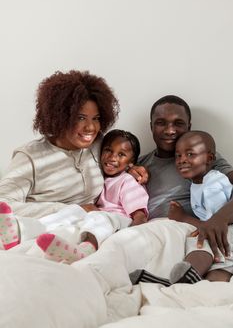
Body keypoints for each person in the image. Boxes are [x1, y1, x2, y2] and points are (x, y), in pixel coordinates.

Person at [0, 70, 120, 245]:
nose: (90, 127)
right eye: (80, 118)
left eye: (96, 118)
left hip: (87, 228)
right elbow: (4, 204)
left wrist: (133, 169)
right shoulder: (30, 156)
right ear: (61, 117)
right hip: (47, 228)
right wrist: (70, 210)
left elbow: (119, 158)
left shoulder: (98, 146)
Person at [129, 95, 233, 285]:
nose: (170, 130)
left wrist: (220, 218)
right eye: (161, 123)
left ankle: (186, 282)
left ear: (189, 126)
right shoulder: (141, 165)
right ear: (151, 126)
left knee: (205, 246)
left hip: (194, 229)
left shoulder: (205, 158)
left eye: (178, 123)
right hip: (157, 231)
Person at [0, 130, 149, 262]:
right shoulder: (103, 175)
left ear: (131, 162)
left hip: (117, 222)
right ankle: (21, 232)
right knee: (72, 212)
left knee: (100, 217)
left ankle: (86, 250)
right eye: (108, 151)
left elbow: (140, 215)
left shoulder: (128, 181)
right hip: (94, 218)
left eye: (121, 155)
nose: (112, 157)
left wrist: (127, 238)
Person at [168, 130, 233, 283]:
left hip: (227, 231)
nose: (182, 160)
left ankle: (183, 279)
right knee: (217, 271)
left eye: (190, 154)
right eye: (178, 155)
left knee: (199, 242)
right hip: (224, 233)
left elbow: (212, 226)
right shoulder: (197, 182)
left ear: (209, 158)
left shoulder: (212, 184)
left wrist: (183, 217)